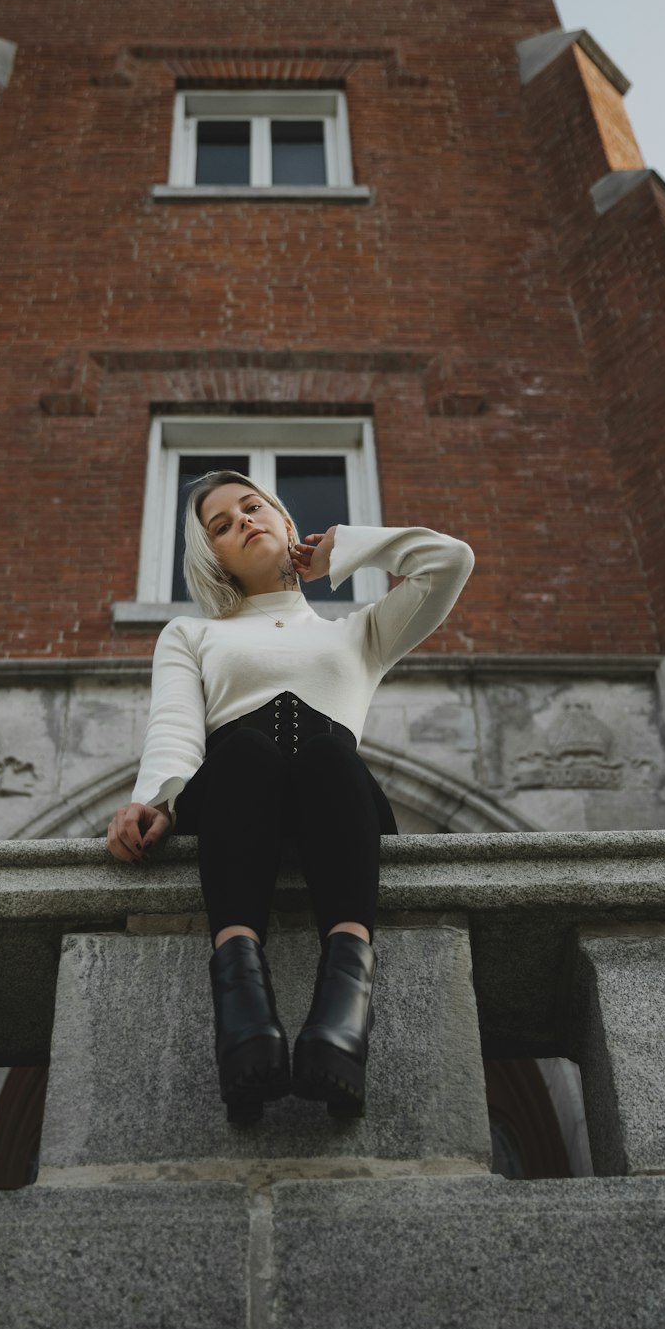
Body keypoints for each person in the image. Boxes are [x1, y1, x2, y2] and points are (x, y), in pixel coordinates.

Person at [107, 470, 474, 1122]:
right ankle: (244, 1021)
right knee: (246, 750)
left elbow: (450, 562)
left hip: (332, 802)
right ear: (211, 554)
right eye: (220, 524)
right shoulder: (192, 635)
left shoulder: (358, 632)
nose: (242, 522)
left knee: (333, 753)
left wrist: (351, 547)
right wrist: (154, 803)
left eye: (252, 508)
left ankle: (341, 1021)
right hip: (231, 798)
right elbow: (174, 727)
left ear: (281, 520)